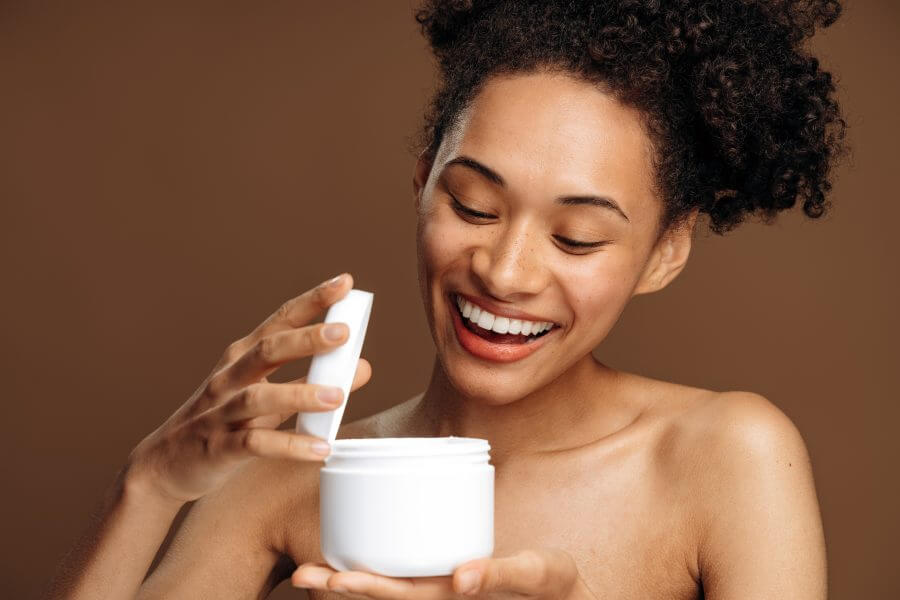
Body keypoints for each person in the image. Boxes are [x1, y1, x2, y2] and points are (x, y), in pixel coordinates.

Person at [44, 1, 849, 598]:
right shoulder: (287, 476)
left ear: (665, 252)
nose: (504, 272)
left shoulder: (724, 458)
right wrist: (147, 486)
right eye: (472, 207)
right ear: (423, 176)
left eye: (575, 238)